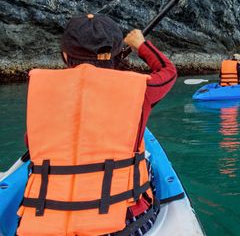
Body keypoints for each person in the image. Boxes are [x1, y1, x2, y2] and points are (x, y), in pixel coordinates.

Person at [17, 14, 176, 236]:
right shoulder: (139, 89)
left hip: (45, 226)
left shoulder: (42, 91)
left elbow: (31, 142)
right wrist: (141, 44)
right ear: (117, 53)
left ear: (65, 55)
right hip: (123, 225)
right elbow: (168, 73)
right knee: (147, 167)